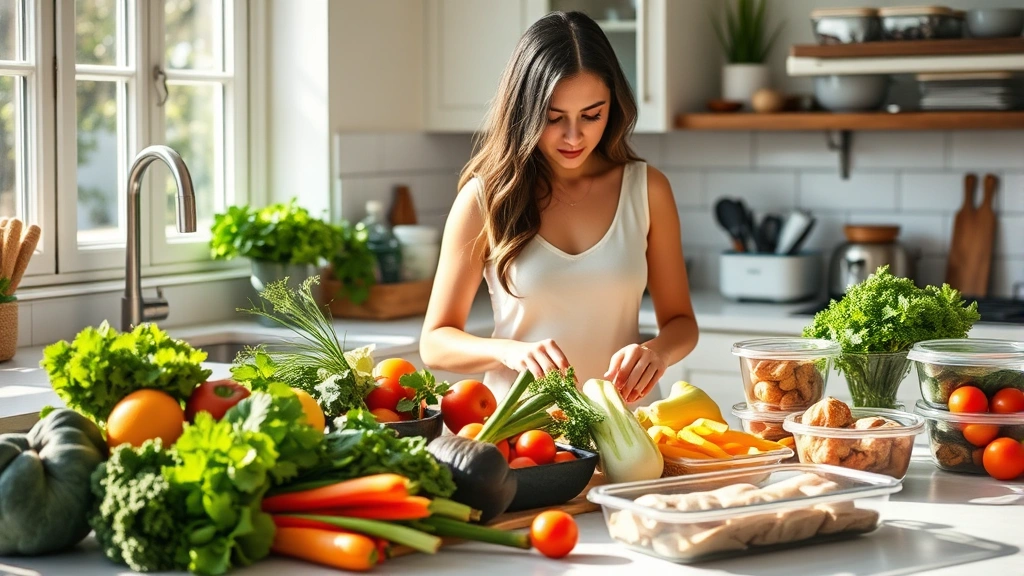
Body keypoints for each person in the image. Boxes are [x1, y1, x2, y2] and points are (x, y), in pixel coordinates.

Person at [419, 11, 698, 404]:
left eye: (591, 115)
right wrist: (508, 351)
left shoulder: (647, 190)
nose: (573, 136)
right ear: (525, 112)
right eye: (553, 118)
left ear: (612, 108)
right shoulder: (486, 199)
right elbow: (434, 342)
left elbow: (682, 323)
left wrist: (657, 352)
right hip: (522, 433)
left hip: (628, 428)